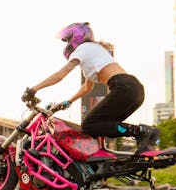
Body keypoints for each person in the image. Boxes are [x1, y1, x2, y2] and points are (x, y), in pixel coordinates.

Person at [22, 22, 160, 154]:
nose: (67, 44)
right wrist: (67, 102)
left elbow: (60, 75)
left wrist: (33, 89)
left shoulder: (83, 49)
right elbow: (87, 87)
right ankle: (142, 140)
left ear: (75, 38)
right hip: (134, 90)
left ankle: (140, 131)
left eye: (67, 40)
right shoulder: (94, 52)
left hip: (123, 88)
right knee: (103, 125)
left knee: (89, 125)